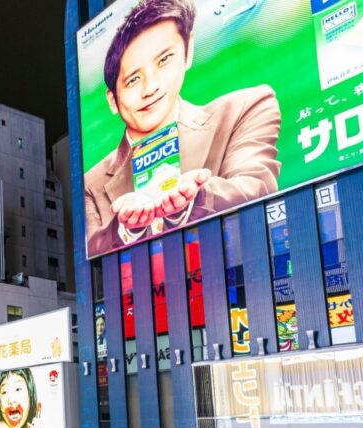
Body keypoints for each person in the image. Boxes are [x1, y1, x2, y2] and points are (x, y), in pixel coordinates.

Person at [82, 0, 281, 257]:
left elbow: (256, 186)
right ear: (112, 100)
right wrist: (125, 227)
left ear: (188, 52)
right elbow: (91, 246)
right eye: (133, 79)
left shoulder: (244, 108)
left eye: (164, 60)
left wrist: (194, 199)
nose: (150, 88)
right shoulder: (91, 182)